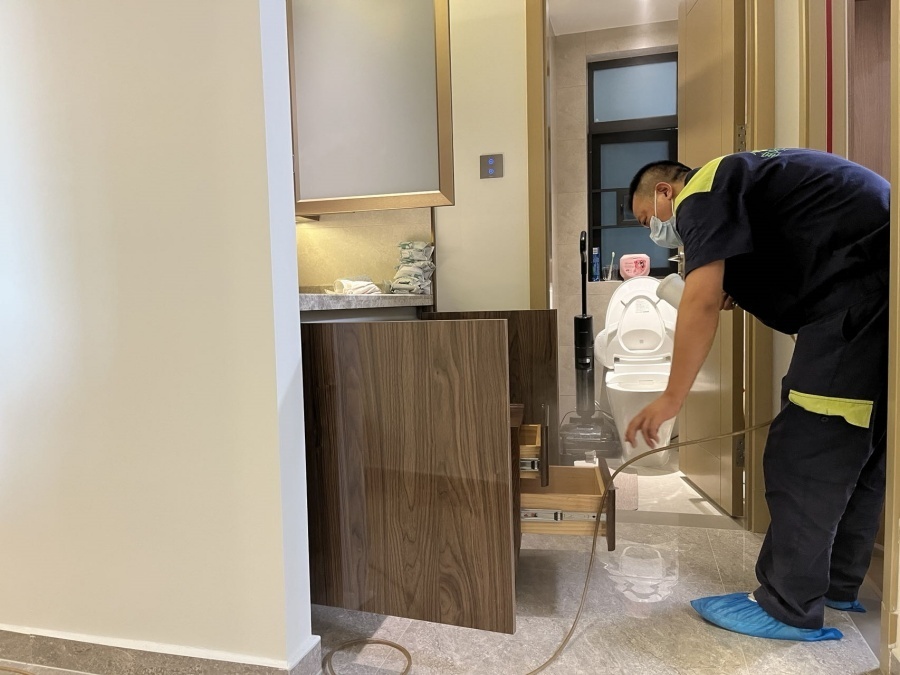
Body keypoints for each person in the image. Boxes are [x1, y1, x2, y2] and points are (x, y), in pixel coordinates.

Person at [624, 148, 889, 641]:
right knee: (860, 449)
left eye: (648, 219)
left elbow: (701, 299)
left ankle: (787, 605)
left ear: (665, 192)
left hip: (854, 308)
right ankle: (836, 584)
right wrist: (740, 283)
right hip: (874, 298)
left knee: (805, 453)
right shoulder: (747, 181)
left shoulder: (702, 190)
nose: (655, 231)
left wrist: (671, 398)